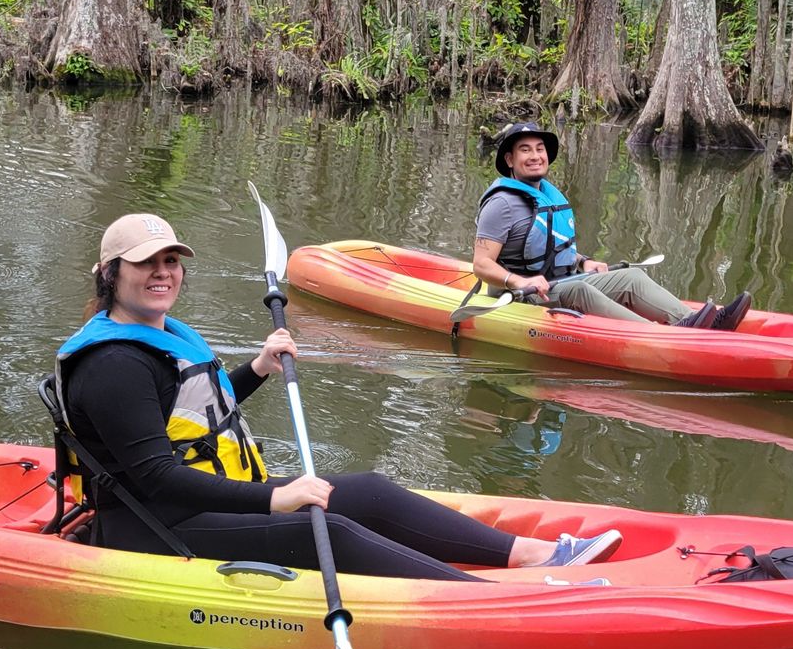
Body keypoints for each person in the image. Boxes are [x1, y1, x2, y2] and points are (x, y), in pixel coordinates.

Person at [53, 212, 621, 582]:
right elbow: (154, 477)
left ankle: (533, 555)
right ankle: (488, 597)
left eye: (170, 261)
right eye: (145, 264)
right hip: (153, 525)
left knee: (367, 491)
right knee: (324, 526)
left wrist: (255, 369)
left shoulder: (151, 338)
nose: (162, 273)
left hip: (198, 500)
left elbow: (195, 416)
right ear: (110, 274)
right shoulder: (113, 364)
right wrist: (274, 500)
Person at [470, 121, 751, 330]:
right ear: (510, 160)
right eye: (525, 150)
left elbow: (550, 247)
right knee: (582, 291)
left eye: (540, 149)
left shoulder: (546, 195)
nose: (535, 156)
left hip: (561, 282)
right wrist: (521, 281)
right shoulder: (501, 204)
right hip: (520, 295)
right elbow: (481, 264)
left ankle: (696, 323)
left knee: (632, 277)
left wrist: (584, 263)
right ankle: (658, 336)